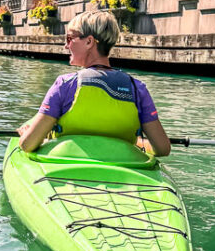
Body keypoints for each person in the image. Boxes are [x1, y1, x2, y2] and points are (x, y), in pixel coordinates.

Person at [18, 10, 171, 155]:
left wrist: (26, 134)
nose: (66, 45)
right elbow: (163, 149)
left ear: (89, 41)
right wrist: (137, 144)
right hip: (122, 169)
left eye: (70, 39)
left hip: (68, 166)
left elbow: (28, 145)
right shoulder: (138, 89)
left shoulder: (64, 84)